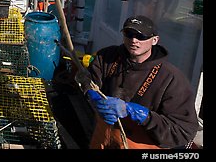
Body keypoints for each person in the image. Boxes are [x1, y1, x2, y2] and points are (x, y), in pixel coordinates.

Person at [79, 15, 199, 149]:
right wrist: (92, 94)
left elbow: (183, 131)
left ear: (155, 40)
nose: (134, 40)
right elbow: (85, 77)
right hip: (103, 135)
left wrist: (142, 115)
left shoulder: (172, 78)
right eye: (128, 34)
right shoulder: (107, 56)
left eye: (141, 36)